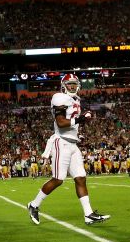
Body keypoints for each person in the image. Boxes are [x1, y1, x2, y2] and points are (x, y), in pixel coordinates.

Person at [27, 74, 109, 226]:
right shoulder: (59, 97)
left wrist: (78, 133)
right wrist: (81, 118)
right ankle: (34, 204)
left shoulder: (75, 100)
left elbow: (72, 124)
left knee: (80, 178)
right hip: (61, 143)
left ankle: (88, 214)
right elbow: (61, 123)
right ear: (63, 85)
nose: (72, 86)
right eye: (69, 84)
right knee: (58, 179)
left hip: (72, 143)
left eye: (74, 84)